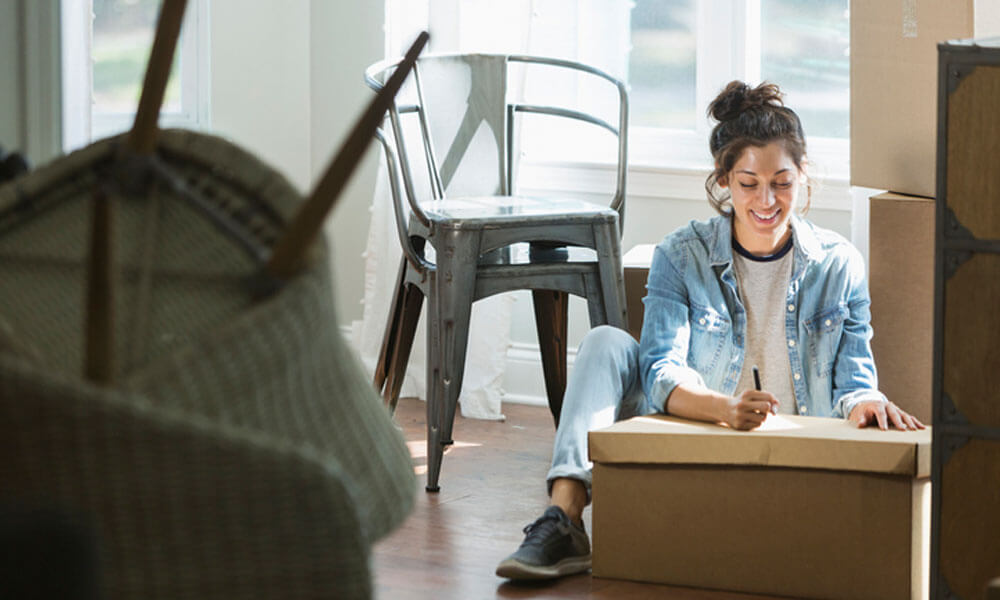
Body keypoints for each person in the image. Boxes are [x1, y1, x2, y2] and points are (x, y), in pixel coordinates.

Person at [494, 80, 925, 581]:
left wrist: (867, 402)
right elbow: (659, 371)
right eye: (748, 183)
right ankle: (563, 520)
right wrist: (726, 410)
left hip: (793, 445)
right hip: (698, 424)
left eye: (782, 182)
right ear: (723, 180)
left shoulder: (840, 265)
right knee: (606, 342)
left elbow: (854, 382)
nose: (767, 200)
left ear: (803, 175)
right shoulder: (682, 254)